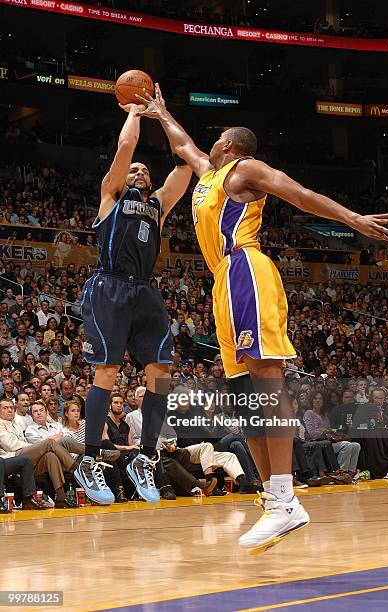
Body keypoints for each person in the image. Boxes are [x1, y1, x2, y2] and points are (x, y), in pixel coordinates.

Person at [137, 83, 388, 554]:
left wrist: (352, 219)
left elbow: (300, 194)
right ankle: (273, 499)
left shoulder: (243, 169)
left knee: (267, 385)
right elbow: (182, 144)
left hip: (246, 270)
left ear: (230, 145)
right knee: (242, 395)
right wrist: (160, 112)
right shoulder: (208, 174)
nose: (208, 145)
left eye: (216, 140)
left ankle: (286, 495)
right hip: (221, 283)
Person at [75, 102, 193, 505]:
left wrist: (163, 114)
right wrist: (136, 112)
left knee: (161, 373)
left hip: (144, 291)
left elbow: (186, 166)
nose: (139, 171)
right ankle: (89, 458)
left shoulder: (158, 206)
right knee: (107, 372)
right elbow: (125, 145)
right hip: (108, 287)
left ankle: (145, 456)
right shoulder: (111, 195)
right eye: (134, 169)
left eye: (145, 169)